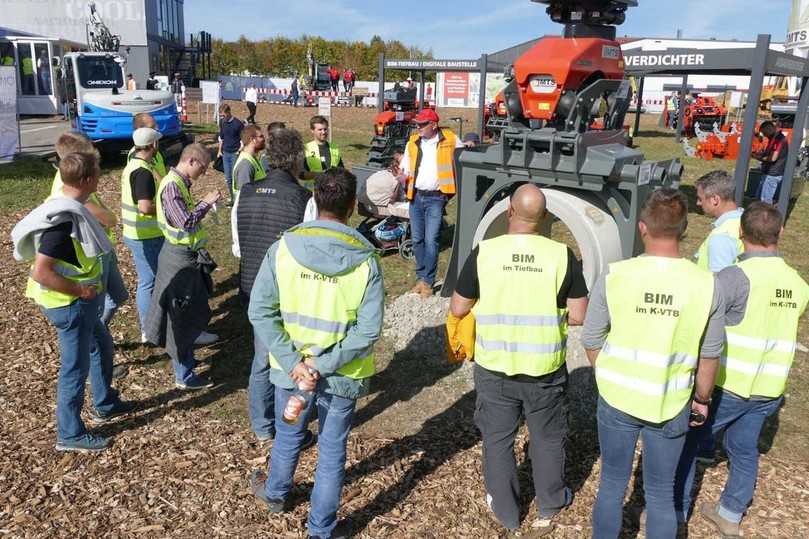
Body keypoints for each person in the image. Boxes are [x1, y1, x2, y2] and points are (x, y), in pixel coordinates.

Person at [248, 168, 384, 539]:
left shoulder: (284, 249)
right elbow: (368, 329)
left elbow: (260, 310)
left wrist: (296, 365)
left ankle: (276, 492)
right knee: (330, 453)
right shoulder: (365, 260)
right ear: (353, 206)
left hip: (292, 376)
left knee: (289, 434)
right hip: (341, 375)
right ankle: (321, 529)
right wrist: (321, 365)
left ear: (314, 199)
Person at [582, 188, 725, 539]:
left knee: (612, 484)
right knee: (661, 493)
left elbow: (591, 338)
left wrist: (609, 373)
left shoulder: (616, 275)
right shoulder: (707, 284)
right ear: (685, 228)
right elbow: (710, 354)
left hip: (617, 396)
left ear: (643, 228)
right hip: (671, 399)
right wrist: (702, 400)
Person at [449, 184, 589, 536]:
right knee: (547, 437)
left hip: (496, 365)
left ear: (509, 211)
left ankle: (506, 510)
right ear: (544, 218)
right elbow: (578, 314)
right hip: (544, 368)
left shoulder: (485, 253)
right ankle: (550, 503)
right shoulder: (562, 255)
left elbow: (458, 307)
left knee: (497, 439)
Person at [675, 202, 809, 535]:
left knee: (688, 445)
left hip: (727, 385)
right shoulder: (798, 284)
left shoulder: (733, 277)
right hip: (769, 389)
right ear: (780, 232)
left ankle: (675, 512)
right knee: (744, 449)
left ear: (740, 233)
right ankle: (730, 514)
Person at [12, 152, 132, 452]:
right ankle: (70, 434)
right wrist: (80, 291)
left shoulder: (70, 206)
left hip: (81, 303)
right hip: (69, 305)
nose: (102, 174)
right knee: (74, 369)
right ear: (88, 179)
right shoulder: (63, 221)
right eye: (99, 171)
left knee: (102, 346)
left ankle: (104, 402)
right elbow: (41, 272)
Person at [233, 128, 313, 443]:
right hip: (289, 292)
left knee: (261, 358)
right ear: (296, 162)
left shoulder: (244, 193)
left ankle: (262, 424)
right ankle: (288, 427)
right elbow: (308, 253)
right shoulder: (304, 199)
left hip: (253, 286)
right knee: (291, 360)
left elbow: (238, 247)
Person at [144, 144, 222, 389]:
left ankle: (187, 359)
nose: (204, 172)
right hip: (178, 259)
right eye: (203, 167)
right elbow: (185, 221)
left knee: (188, 310)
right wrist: (206, 203)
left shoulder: (179, 184)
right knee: (181, 316)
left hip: (184, 256)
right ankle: (184, 375)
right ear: (191, 161)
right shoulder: (171, 187)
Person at [51, 133, 128, 332]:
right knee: (100, 305)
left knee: (118, 297)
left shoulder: (75, 178)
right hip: (92, 258)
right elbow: (105, 218)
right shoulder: (68, 185)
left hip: (102, 249)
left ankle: (98, 330)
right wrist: (111, 217)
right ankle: (97, 333)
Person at [401, 108, 464, 297]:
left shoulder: (450, 139)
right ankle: (422, 278)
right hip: (416, 196)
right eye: (417, 124)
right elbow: (405, 167)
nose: (418, 127)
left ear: (434, 125)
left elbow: (464, 156)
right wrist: (400, 176)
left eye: (422, 124)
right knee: (418, 240)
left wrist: (469, 145)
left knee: (431, 240)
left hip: (436, 198)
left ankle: (428, 281)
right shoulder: (413, 142)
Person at [121, 127, 165, 342]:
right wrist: (166, 210)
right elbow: (145, 207)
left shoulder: (134, 165)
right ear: (152, 145)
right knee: (148, 282)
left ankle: (150, 325)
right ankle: (148, 328)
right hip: (145, 236)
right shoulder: (142, 172)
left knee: (149, 280)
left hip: (137, 233)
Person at [695, 171, 744, 273]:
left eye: (700, 199)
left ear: (715, 200)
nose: (698, 203)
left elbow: (721, 283)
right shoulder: (746, 220)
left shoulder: (722, 236)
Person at [361, 150, 409, 218]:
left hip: (370, 201)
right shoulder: (395, 180)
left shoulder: (382, 174)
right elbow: (395, 199)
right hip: (380, 206)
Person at [752, 121, 789, 204]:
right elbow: (767, 153)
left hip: (772, 174)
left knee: (765, 201)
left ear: (768, 130)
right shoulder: (773, 138)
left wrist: (757, 157)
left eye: (764, 133)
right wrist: (759, 154)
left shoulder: (779, 139)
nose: (764, 136)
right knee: (758, 197)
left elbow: (773, 158)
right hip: (769, 172)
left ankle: (766, 216)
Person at [303, 115, 343, 188]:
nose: (323, 132)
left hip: (331, 192)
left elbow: (341, 170)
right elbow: (301, 174)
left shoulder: (334, 148)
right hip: (313, 192)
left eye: (325, 129)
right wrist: (320, 175)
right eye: (320, 130)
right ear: (312, 130)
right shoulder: (306, 149)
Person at [127, 112, 168, 178]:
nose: (157, 128)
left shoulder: (155, 149)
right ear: (141, 130)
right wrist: (166, 186)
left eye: (156, 125)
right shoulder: (138, 154)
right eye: (152, 126)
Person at [216, 103, 244, 200]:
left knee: (235, 177)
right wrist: (219, 151)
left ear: (229, 112)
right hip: (225, 153)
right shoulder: (222, 122)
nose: (222, 117)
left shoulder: (238, 124)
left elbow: (243, 139)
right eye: (221, 116)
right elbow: (221, 138)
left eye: (223, 115)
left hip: (234, 153)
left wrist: (239, 150)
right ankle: (233, 198)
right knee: (228, 178)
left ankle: (238, 199)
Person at [232, 125, 267, 193]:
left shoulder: (252, 159)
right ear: (251, 139)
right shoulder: (245, 164)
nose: (263, 139)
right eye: (261, 136)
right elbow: (245, 194)